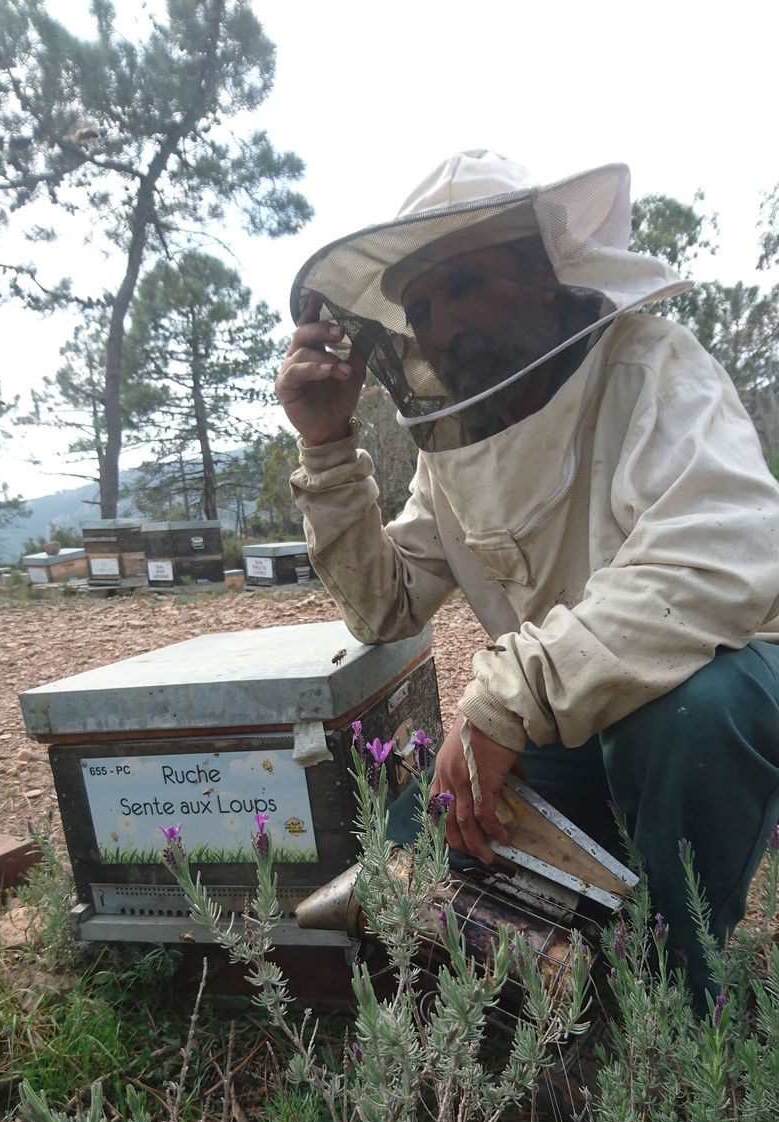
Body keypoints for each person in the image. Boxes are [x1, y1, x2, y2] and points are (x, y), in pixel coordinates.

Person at [275, 150, 779, 1012]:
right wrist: (325, 448)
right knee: (417, 841)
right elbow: (383, 603)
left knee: (689, 714)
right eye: (421, 307)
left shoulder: (650, 365)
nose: (437, 326)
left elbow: (714, 558)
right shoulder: (458, 444)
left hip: (721, 695)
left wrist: (505, 701)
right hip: (572, 720)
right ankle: (516, 992)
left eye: (462, 284)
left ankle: (672, 1012)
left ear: (541, 276)